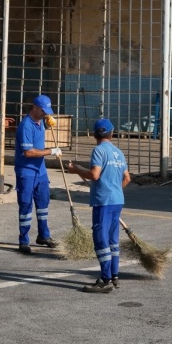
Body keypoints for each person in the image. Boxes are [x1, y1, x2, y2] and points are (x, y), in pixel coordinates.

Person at [68, 119, 131, 293]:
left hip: (103, 201)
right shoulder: (118, 152)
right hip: (117, 199)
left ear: (95, 135)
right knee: (112, 239)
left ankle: (105, 279)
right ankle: (114, 275)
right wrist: (114, 190)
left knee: (100, 238)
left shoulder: (98, 151)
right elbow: (127, 178)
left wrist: (77, 169)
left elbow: (95, 175)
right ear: (112, 133)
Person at [14, 95, 62, 254]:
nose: (45, 114)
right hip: (26, 171)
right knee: (26, 204)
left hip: (40, 171)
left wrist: (49, 124)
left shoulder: (41, 122)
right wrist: (51, 151)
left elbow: (40, 135)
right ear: (35, 107)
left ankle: (44, 235)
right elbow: (28, 152)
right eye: (43, 111)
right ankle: (23, 241)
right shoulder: (25, 126)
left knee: (43, 203)